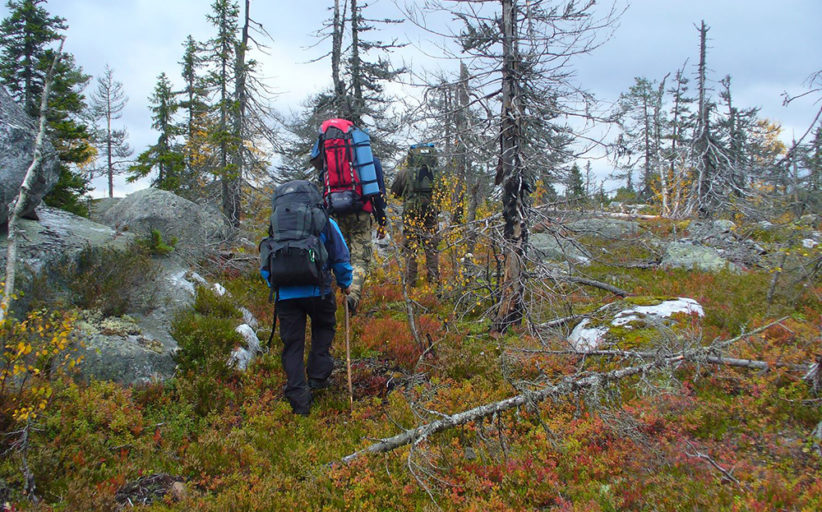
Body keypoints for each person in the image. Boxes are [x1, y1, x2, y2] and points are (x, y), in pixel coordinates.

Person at [260, 181, 353, 416]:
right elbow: (340, 257)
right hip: (318, 291)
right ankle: (318, 377)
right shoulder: (324, 221)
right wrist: (345, 283)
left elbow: (266, 263)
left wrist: (278, 285)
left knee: (292, 345)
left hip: (286, 295)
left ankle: (299, 400)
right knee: (323, 327)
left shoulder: (277, 226)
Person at [310, 129, 387, 316]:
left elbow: (323, 186)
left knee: (340, 257)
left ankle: (339, 298)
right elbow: (379, 191)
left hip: (335, 214)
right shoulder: (368, 160)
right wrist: (382, 220)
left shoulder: (329, 161)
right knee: (360, 259)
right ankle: (351, 298)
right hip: (361, 213)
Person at [390, 143, 440, 287]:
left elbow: (394, 193)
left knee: (410, 247)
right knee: (431, 247)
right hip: (431, 214)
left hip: (410, 215)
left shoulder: (403, 173)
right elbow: (443, 193)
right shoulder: (436, 173)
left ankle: (410, 283)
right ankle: (434, 281)